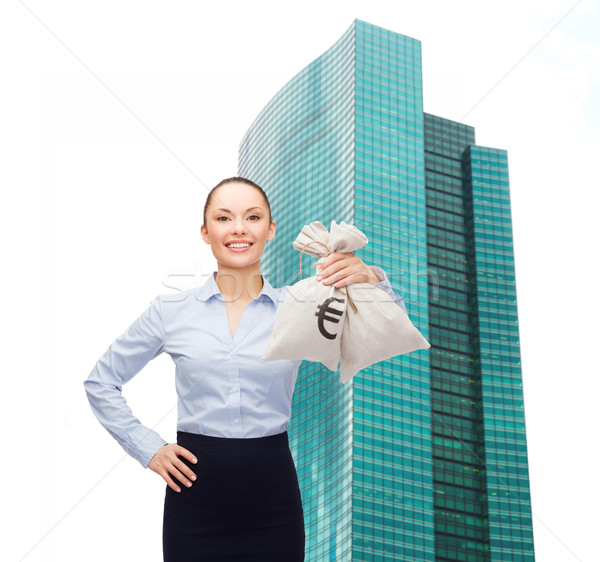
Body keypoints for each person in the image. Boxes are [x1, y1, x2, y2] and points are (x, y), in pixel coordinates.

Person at [84, 176, 407, 561]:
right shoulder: (171, 311)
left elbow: (390, 330)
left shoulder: (301, 307)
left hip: (273, 497)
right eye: (224, 218)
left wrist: (371, 278)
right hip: (194, 496)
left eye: (252, 217)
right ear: (206, 233)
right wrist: (148, 448)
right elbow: (101, 381)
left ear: (270, 229)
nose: (239, 228)